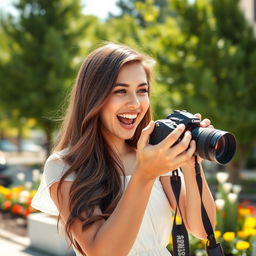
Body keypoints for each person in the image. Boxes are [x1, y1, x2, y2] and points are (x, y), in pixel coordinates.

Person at [31, 42, 216, 256]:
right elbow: (103, 252)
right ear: (94, 97)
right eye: (120, 91)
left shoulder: (154, 155)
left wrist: (191, 165)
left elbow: (203, 230)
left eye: (142, 90)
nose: (135, 103)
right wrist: (145, 175)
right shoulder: (64, 166)